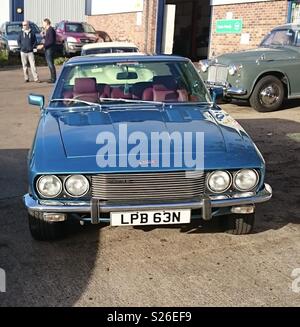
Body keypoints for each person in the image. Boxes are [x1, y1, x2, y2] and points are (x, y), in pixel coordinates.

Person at [40, 18, 57, 83]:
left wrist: (43, 46)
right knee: (50, 64)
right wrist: (44, 36)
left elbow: (51, 41)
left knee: (50, 64)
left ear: (46, 23)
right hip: (48, 49)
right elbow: (48, 39)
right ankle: (52, 78)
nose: (42, 24)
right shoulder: (48, 30)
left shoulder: (50, 30)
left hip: (50, 49)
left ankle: (53, 79)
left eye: (43, 23)